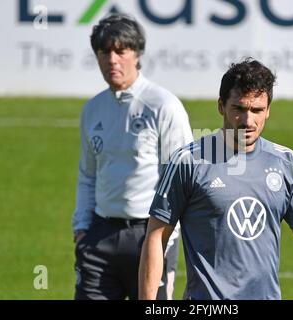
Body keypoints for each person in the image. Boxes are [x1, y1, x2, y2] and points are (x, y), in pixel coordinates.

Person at [139, 58, 293, 300]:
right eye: (239, 109)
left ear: (268, 110)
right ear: (221, 106)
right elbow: (157, 236)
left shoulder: (285, 162)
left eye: (257, 110)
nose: (248, 121)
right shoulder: (187, 162)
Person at [72, 13, 193, 300]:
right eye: (104, 52)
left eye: (120, 51)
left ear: (136, 54)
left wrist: (166, 238)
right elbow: (87, 175)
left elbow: (181, 178)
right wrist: (81, 230)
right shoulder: (92, 109)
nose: (112, 59)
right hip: (99, 235)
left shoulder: (163, 105)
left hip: (149, 235)